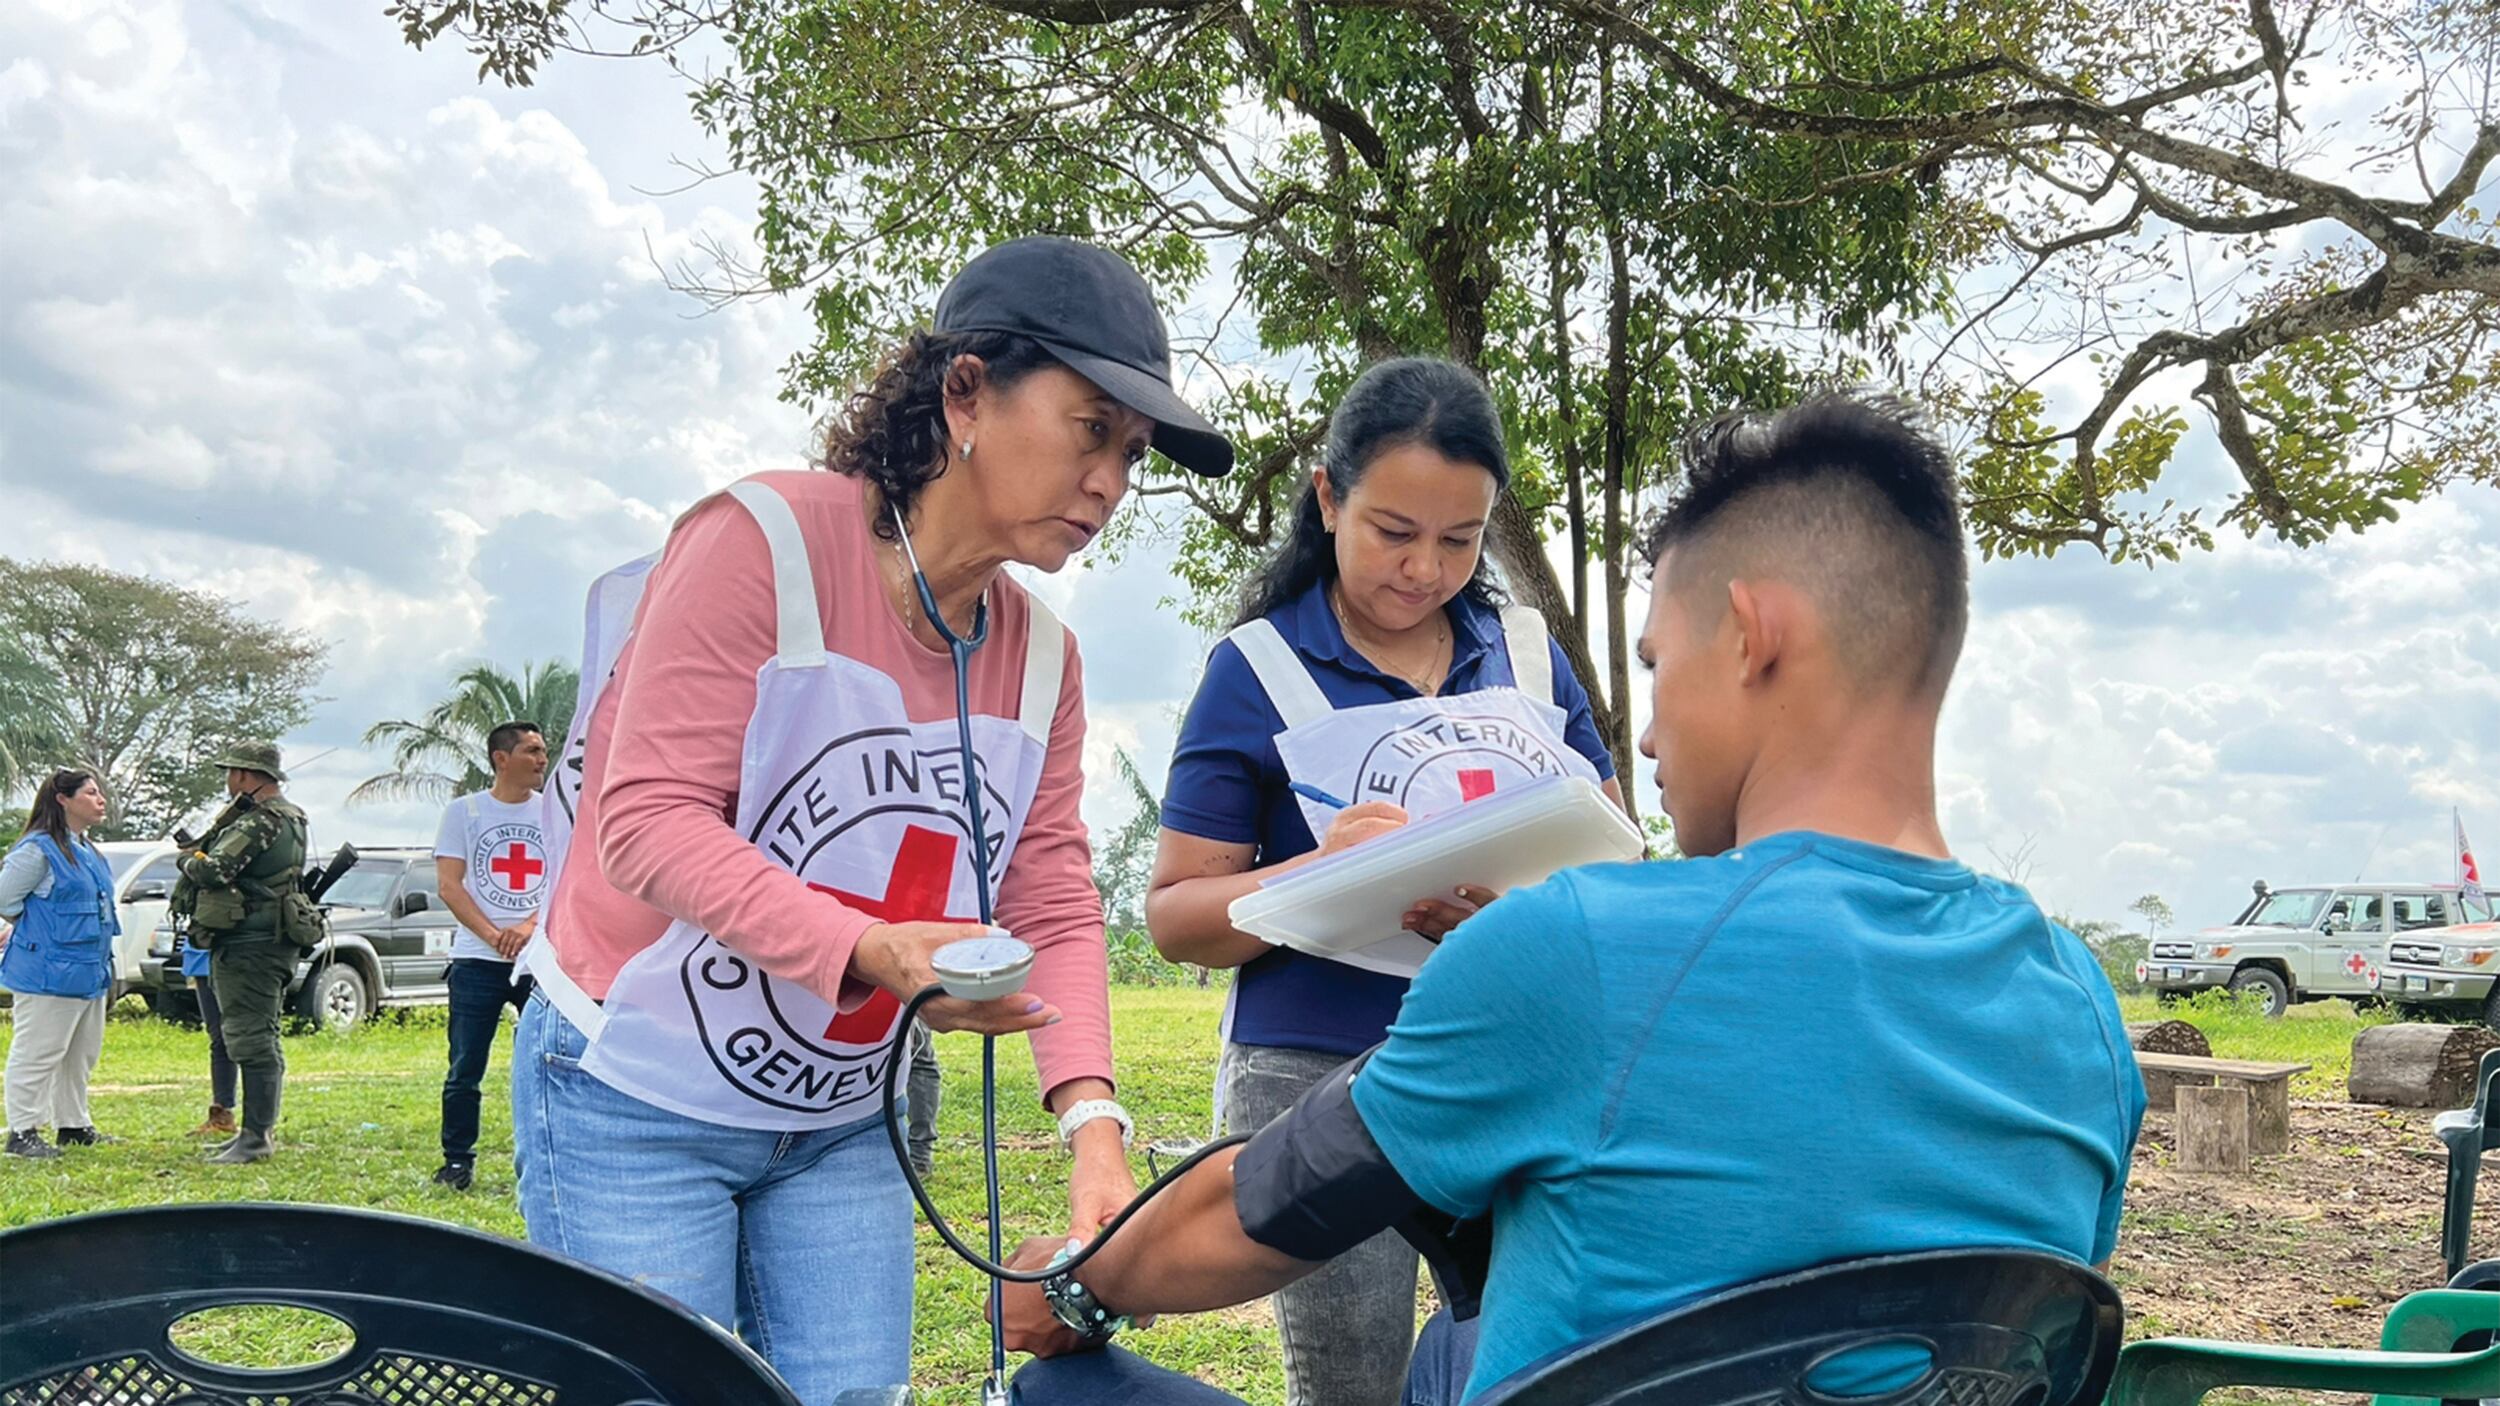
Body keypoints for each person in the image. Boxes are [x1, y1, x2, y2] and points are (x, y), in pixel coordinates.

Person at [1002, 393, 2147, 1405]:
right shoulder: (2085, 1016)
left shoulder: (1573, 952)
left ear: (1750, 635)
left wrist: (1077, 1285)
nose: (1643, 735)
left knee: (1056, 1388)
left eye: (1654, 664)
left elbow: (1247, 1211)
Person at [514, 235, 1232, 1401]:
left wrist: (1093, 1121)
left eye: (1134, 452)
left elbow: (1049, 890)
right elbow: (642, 819)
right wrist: (866, 948)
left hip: (841, 1114)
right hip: (632, 1094)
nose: (1110, 480)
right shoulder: (762, 541)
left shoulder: (1046, 658)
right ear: (964, 391)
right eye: (1091, 428)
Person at [1145, 356, 1621, 1406]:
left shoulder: (1530, 661)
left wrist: (1528, 913)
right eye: (1393, 532)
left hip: (1509, 1059)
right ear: (1327, 496)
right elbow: (1177, 915)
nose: (1424, 569)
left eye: (1460, 539)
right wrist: (1322, 869)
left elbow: (1615, 850)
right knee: (1349, 1385)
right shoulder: (1257, 667)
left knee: (1533, 1366)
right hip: (1308, 1073)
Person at [174, 741, 309, 1166]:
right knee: (258, 1034)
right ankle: (255, 1132)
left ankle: (254, 1138)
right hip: (264, 939)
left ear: (246, 777)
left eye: (232, 773)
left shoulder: (261, 821)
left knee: (250, 1037)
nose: (228, 780)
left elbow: (215, 869)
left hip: (250, 943)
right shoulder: (289, 817)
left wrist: (187, 860)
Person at [429, 719, 549, 1191]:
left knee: (545, 1064)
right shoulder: (465, 812)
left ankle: (542, 1158)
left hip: (537, 959)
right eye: (531, 751)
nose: (541, 760)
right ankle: (457, 1160)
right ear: (502, 758)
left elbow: (567, 880)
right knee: (464, 1067)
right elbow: (449, 885)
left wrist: (528, 927)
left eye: (543, 751)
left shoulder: (554, 813)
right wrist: (493, 934)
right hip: (476, 961)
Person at [1, 770, 122, 1159]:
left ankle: (73, 1124)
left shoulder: (87, 849)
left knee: (80, 1052)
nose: (100, 799)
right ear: (62, 799)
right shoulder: (38, 850)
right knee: (38, 1052)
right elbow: (5, 900)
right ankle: (22, 1131)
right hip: (48, 971)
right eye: (90, 793)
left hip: (89, 970)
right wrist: (38, 930)